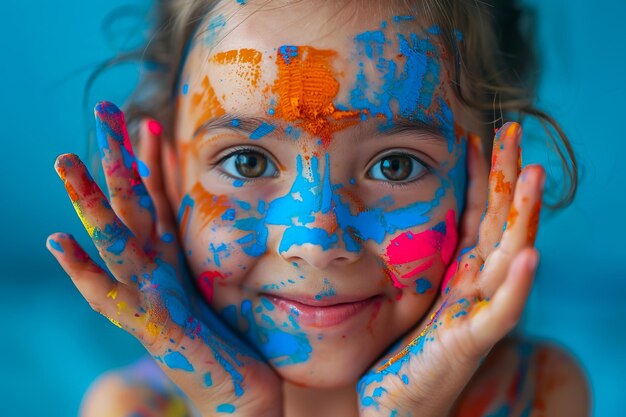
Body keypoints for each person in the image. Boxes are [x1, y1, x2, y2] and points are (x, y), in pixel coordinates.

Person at [46, 0, 590, 416]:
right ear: (164, 173)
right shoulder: (130, 407)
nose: (315, 241)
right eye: (247, 163)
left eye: (395, 166)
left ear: (491, 175)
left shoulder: (535, 394)